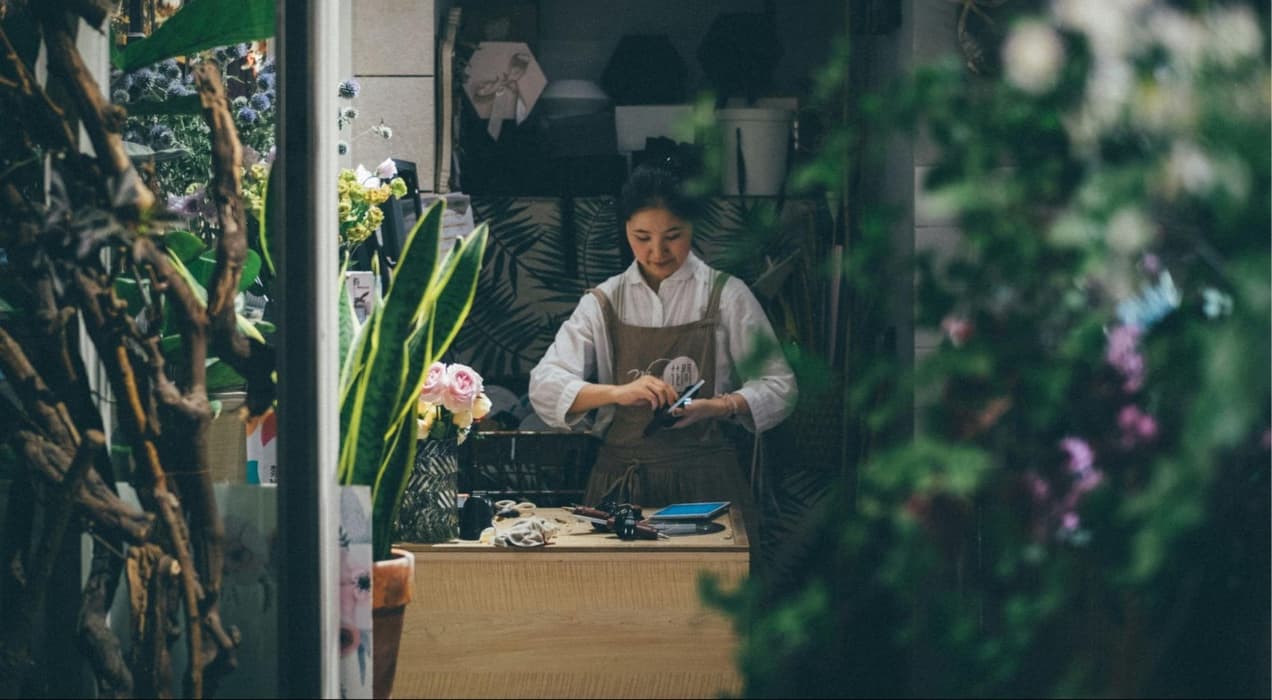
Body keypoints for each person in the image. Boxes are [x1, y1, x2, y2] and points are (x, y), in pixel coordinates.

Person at [529, 164, 798, 517]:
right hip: (621, 487)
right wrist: (617, 392)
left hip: (708, 486)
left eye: (673, 235)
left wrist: (718, 406)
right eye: (642, 237)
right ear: (626, 229)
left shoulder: (726, 295)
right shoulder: (604, 302)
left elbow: (781, 387)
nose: (657, 252)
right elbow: (544, 384)